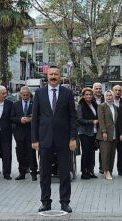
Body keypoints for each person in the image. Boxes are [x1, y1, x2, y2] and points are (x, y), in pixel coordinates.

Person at [31, 65, 77, 213]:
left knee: (64, 172)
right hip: (44, 139)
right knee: (44, 173)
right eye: (50, 74)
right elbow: (35, 119)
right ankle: (45, 202)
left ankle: (65, 202)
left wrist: (73, 138)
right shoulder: (39, 93)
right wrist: (34, 139)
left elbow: (73, 117)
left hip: (63, 140)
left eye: (56, 74)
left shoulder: (68, 93)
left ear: (60, 76)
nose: (53, 77)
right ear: (47, 76)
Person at [11, 86, 38, 181]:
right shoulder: (16, 104)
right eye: (24, 95)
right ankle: (22, 172)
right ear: (20, 94)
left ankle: (34, 172)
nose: (25, 97)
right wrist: (20, 119)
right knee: (20, 153)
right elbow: (12, 118)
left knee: (31, 153)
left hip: (31, 132)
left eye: (27, 95)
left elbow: (39, 116)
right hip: (19, 133)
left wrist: (31, 119)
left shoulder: (34, 104)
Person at [76, 87, 98, 179]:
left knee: (92, 152)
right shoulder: (81, 105)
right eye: (86, 94)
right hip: (84, 132)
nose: (88, 96)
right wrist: (92, 122)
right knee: (86, 152)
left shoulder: (94, 104)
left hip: (94, 131)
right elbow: (79, 120)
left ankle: (91, 171)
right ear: (83, 96)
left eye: (90, 94)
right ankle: (84, 172)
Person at [97, 90, 118, 180]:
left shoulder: (115, 107)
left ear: (113, 97)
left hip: (114, 134)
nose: (109, 97)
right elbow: (101, 120)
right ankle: (106, 171)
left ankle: (110, 170)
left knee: (112, 154)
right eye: (107, 95)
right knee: (105, 154)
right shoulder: (102, 106)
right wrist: (104, 131)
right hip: (105, 134)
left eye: (110, 95)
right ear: (105, 97)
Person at [92, 82, 104, 174]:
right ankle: (91, 168)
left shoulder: (106, 98)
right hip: (91, 128)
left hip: (103, 128)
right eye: (96, 88)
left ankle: (102, 167)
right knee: (91, 150)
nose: (98, 90)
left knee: (103, 149)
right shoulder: (88, 98)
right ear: (93, 89)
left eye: (100, 88)